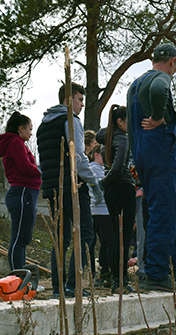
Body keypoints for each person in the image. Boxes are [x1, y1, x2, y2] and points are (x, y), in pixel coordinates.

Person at [127, 43, 176, 292]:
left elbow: (132, 128)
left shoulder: (135, 84)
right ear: (173, 61)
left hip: (142, 153)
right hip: (160, 152)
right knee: (164, 211)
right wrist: (159, 117)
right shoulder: (161, 78)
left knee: (165, 208)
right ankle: (156, 273)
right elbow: (162, 88)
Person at [36, 83, 101, 298]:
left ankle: (58, 288)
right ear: (67, 99)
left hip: (53, 188)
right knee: (84, 234)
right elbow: (79, 159)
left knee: (60, 239)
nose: (82, 104)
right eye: (79, 99)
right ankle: (74, 285)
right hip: (73, 187)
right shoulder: (71, 121)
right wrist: (94, 185)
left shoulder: (43, 125)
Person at [0, 111, 41, 271]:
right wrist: (41, 171)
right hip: (23, 192)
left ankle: (20, 276)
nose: (31, 132)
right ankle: (18, 277)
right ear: (21, 129)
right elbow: (25, 167)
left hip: (26, 193)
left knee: (22, 238)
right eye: (29, 129)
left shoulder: (17, 143)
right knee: (19, 239)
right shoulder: (16, 142)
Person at [99, 105, 136, 293]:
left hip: (112, 191)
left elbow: (99, 134)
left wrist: (105, 184)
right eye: (128, 121)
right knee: (124, 237)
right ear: (120, 121)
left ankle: (116, 280)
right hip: (122, 188)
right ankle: (122, 280)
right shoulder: (121, 138)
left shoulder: (108, 137)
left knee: (115, 236)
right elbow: (119, 165)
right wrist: (103, 182)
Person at [87, 145, 113, 286]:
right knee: (109, 241)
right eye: (104, 155)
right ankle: (106, 273)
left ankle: (100, 273)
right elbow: (102, 188)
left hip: (96, 210)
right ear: (96, 154)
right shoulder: (95, 169)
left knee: (101, 242)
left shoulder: (98, 169)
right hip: (101, 210)